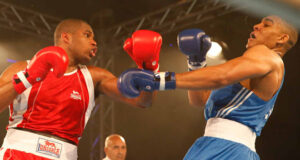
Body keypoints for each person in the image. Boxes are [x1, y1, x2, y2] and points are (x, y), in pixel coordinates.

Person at [117, 15, 298, 159]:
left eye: (266, 25)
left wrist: (157, 79)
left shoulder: (268, 57)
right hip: (217, 145)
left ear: (282, 38)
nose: (256, 26)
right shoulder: (251, 68)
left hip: (228, 149)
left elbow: (221, 76)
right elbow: (200, 100)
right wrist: (196, 63)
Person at [0, 19, 162, 159]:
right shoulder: (23, 68)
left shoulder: (95, 77)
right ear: (66, 37)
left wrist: (149, 70)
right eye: (87, 35)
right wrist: (27, 78)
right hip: (18, 152)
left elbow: (142, 101)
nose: (94, 42)